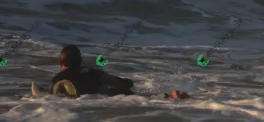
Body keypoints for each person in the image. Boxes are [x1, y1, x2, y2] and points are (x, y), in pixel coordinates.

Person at [51, 45, 189, 100]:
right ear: (80, 61)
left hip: (89, 101)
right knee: (141, 98)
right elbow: (112, 80)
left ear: (61, 63)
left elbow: (53, 96)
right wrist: (126, 83)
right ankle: (169, 96)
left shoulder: (58, 79)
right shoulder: (91, 71)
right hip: (108, 94)